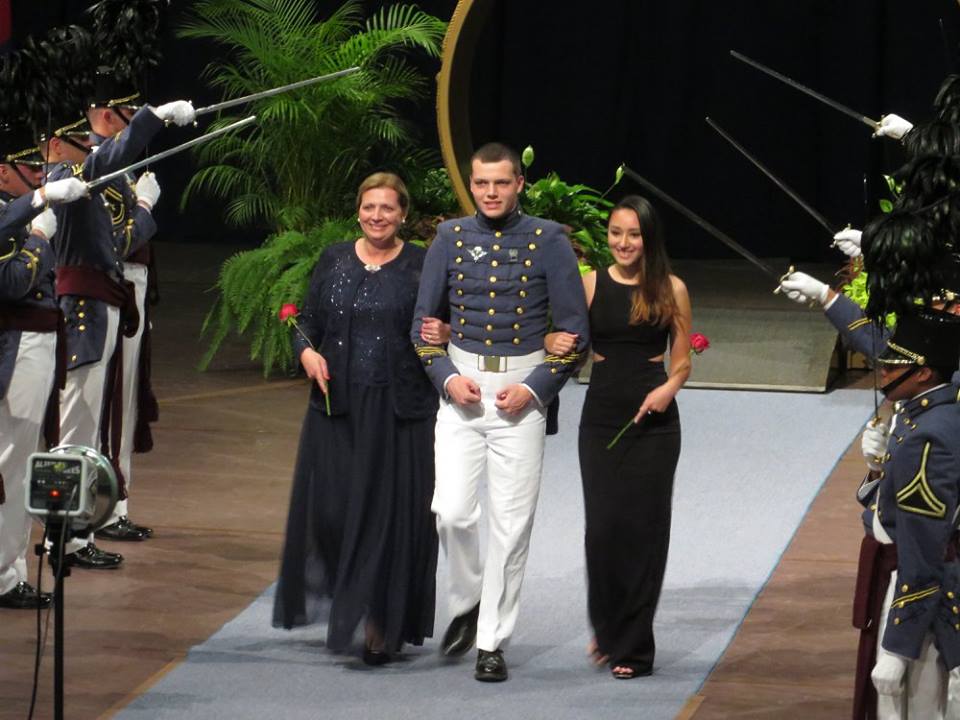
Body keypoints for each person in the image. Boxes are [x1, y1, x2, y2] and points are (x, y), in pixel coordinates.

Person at [411, 142, 590, 682]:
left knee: (511, 529)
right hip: (462, 391)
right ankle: (467, 597)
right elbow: (422, 324)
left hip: (520, 399)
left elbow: (575, 330)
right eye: (481, 183)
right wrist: (445, 376)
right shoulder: (449, 236)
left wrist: (536, 388)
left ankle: (492, 641)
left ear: (519, 185)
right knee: (451, 512)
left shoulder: (549, 240)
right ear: (471, 184)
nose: (490, 193)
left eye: (501, 183)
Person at [273, 172, 439, 665]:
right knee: (331, 512)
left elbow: (442, 322)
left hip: (397, 412)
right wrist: (306, 354)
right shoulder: (335, 258)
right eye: (369, 208)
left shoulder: (421, 264)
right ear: (358, 211)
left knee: (386, 518)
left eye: (387, 208)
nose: (377, 216)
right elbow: (307, 323)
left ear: (403, 214)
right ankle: (354, 599)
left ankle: (380, 622)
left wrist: (446, 329)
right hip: (336, 408)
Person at [40, 92, 196, 569]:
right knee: (76, 429)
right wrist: (153, 122)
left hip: (105, 302)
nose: (90, 150)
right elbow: (121, 235)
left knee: (86, 428)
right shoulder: (66, 179)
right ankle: (64, 536)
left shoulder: (88, 179)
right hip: (83, 311)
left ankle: (77, 530)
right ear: (60, 144)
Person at [548, 195, 691, 678]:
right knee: (604, 531)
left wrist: (669, 390)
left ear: (648, 239)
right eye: (615, 233)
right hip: (603, 416)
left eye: (633, 234)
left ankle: (632, 647)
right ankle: (606, 629)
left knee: (644, 532)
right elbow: (565, 343)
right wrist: (553, 342)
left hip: (654, 421)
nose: (623, 243)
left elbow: (684, 359)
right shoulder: (588, 285)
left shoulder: (671, 289)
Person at [850, 309, 960, 720]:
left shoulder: (928, 437)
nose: (883, 371)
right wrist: (879, 470)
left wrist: (898, 645)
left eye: (896, 364)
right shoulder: (923, 415)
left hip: (920, 602)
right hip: (909, 577)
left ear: (924, 373)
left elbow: (924, 551)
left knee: (913, 708)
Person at [0, 121, 88, 608]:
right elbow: (13, 282)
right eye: (29, 168)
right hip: (15, 347)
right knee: (11, 463)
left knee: (20, 458)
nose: (39, 174)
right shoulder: (14, 214)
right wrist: (37, 236)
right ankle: (3, 575)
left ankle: (9, 567)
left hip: (33, 343)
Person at [86, 68, 161, 543]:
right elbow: (115, 241)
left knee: (122, 404)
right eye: (129, 117)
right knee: (110, 406)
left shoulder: (120, 166)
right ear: (109, 116)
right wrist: (146, 210)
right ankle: (105, 509)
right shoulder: (95, 164)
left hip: (130, 287)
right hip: (109, 287)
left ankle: (114, 502)